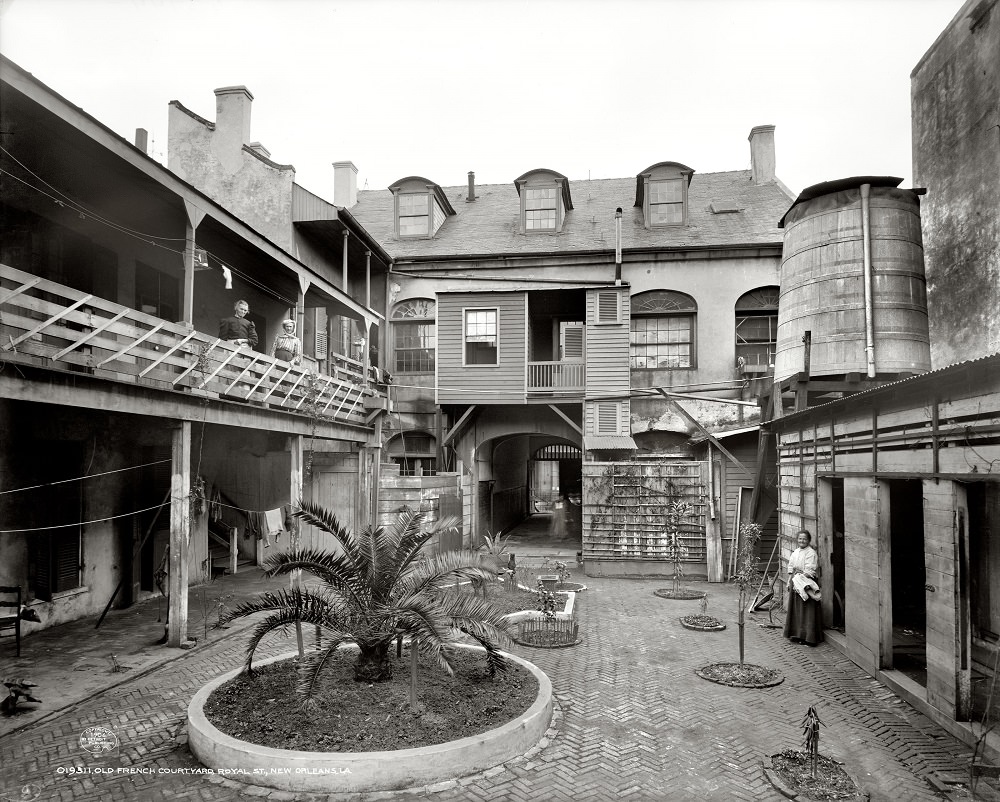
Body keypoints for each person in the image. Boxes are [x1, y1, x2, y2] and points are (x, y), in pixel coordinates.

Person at [784, 529, 823, 645]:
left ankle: (809, 637)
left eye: (804, 539)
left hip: (806, 582)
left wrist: (799, 578)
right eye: (800, 539)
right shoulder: (795, 552)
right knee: (797, 610)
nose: (802, 541)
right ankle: (797, 634)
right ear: (797, 540)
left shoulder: (811, 553)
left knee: (807, 610)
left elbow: (810, 570)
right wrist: (789, 581)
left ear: (809, 540)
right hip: (796, 581)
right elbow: (791, 568)